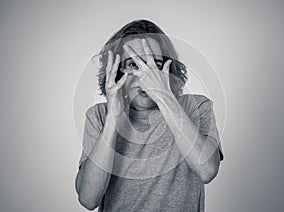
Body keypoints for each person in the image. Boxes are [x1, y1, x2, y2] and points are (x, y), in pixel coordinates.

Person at [75, 19, 224, 212]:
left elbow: (207, 170)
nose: (145, 75)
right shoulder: (99, 115)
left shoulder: (196, 106)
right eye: (133, 64)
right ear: (118, 72)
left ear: (168, 70)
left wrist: (163, 96)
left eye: (154, 64)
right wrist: (113, 117)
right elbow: (88, 199)